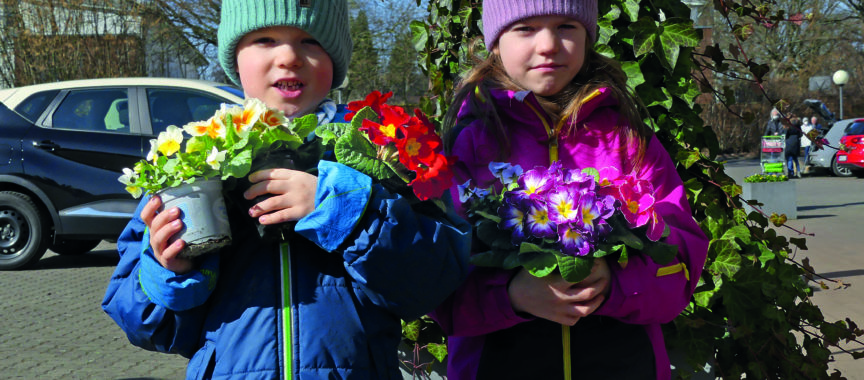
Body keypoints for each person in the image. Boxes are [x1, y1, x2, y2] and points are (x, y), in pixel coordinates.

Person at [102, 1, 471, 378]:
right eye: (264, 39)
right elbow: (147, 325)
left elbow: (432, 282)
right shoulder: (194, 161)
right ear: (234, 57)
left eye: (311, 41)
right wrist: (171, 268)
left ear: (336, 58)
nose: (290, 56)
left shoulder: (375, 150)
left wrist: (345, 209)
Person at [431, 1, 709, 379]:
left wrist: (615, 283)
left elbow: (682, 256)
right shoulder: (468, 146)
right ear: (495, 42)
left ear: (588, 36)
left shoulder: (628, 140)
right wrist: (511, 295)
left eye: (566, 26)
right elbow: (435, 283)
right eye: (525, 28)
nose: (548, 44)